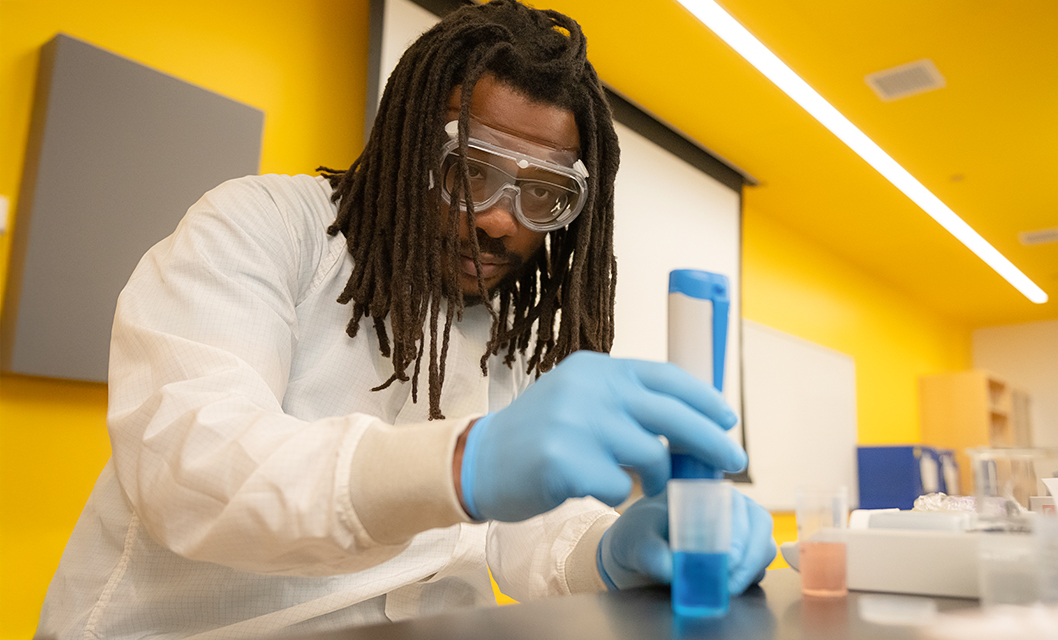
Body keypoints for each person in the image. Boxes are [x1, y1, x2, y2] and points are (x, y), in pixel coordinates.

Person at [35, 1, 777, 637]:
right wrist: (460, 465)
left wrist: (615, 551)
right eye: (466, 172)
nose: (497, 220)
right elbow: (195, 467)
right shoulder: (262, 226)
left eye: (544, 196)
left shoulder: (502, 333)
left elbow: (521, 539)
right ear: (405, 146)